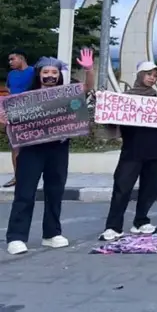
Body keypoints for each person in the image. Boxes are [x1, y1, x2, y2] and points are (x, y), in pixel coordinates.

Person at [4, 50, 95, 255]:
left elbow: (88, 87)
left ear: (59, 75)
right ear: (39, 74)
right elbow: (11, 118)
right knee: (25, 194)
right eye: (46, 72)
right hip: (31, 150)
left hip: (58, 148)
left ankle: (52, 234)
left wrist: (89, 70)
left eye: (54, 72)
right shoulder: (26, 98)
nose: (50, 75)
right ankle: (16, 237)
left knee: (55, 192)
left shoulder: (67, 94)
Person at [99, 62, 157, 242]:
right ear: (140, 75)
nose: (152, 78)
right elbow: (111, 120)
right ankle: (113, 226)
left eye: (155, 75)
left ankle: (141, 221)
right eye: (149, 74)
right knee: (122, 188)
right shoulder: (125, 98)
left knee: (150, 189)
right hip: (132, 150)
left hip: (154, 150)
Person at [4, 49, 36, 188]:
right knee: (15, 146)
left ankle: (31, 176)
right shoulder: (11, 74)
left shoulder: (34, 72)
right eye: (9, 60)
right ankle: (17, 177)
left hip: (32, 113)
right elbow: (8, 90)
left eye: (13, 59)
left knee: (31, 146)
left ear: (21, 59)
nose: (10, 62)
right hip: (13, 114)